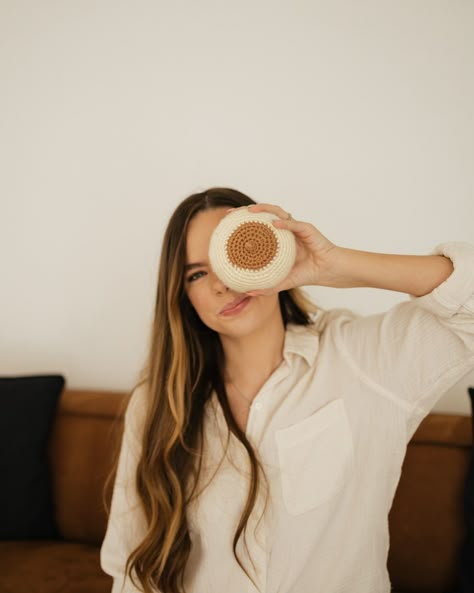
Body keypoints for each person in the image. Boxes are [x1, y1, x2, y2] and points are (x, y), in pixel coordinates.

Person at [100, 187, 474, 593]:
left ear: (273, 253)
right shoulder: (158, 403)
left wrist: (333, 265)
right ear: (182, 295)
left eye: (232, 256)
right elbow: (130, 566)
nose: (222, 284)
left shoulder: (365, 361)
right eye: (196, 273)